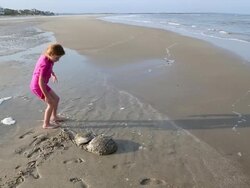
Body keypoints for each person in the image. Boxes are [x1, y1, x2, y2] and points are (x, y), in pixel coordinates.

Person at [30, 43, 65, 129]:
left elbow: (46, 68)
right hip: (38, 86)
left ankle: (54, 117)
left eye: (59, 58)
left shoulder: (47, 57)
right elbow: (40, 82)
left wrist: (52, 74)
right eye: (57, 58)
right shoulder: (45, 64)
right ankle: (46, 124)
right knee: (51, 103)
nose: (58, 60)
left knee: (56, 99)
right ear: (51, 54)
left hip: (42, 84)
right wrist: (46, 96)